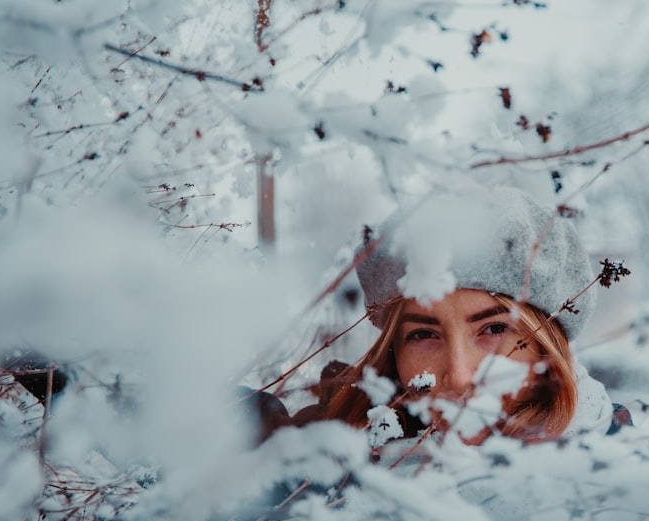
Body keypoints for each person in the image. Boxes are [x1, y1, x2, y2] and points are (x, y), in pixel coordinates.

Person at [251, 184, 617, 457]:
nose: (458, 377)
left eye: (494, 328)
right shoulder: (331, 480)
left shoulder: (641, 504)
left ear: (546, 346)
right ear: (393, 351)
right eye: (424, 334)